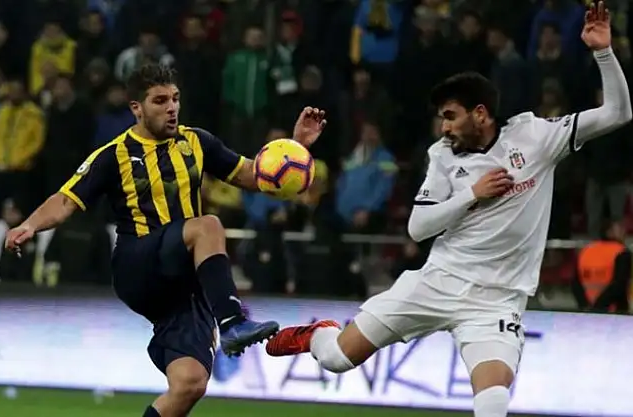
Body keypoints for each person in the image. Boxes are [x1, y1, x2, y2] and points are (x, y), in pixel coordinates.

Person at [265, 4, 631, 417]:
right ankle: (320, 333)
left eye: (451, 117)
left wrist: (603, 52)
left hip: (496, 301)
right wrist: (471, 194)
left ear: (481, 114)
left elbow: (618, 113)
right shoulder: (441, 156)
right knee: (335, 358)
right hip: (436, 282)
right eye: (442, 118)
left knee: (493, 402)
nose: (444, 127)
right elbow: (418, 228)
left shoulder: (535, 137)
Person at [4, 63, 326, 417]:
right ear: (136, 108)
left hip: (181, 285)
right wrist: (29, 225)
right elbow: (66, 200)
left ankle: (222, 327)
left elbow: (254, 175)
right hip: (139, 263)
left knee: (190, 384)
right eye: (160, 101)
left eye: (175, 99)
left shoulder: (198, 142)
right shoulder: (115, 154)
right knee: (208, 226)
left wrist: (295, 148)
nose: (171, 108)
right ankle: (233, 322)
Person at [573, 220, 631, 313]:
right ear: (609, 232)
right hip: (614, 310)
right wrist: (598, 307)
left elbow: (575, 283)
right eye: (620, 229)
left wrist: (584, 305)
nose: (624, 232)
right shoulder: (621, 252)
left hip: (587, 309)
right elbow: (619, 285)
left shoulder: (586, 250)